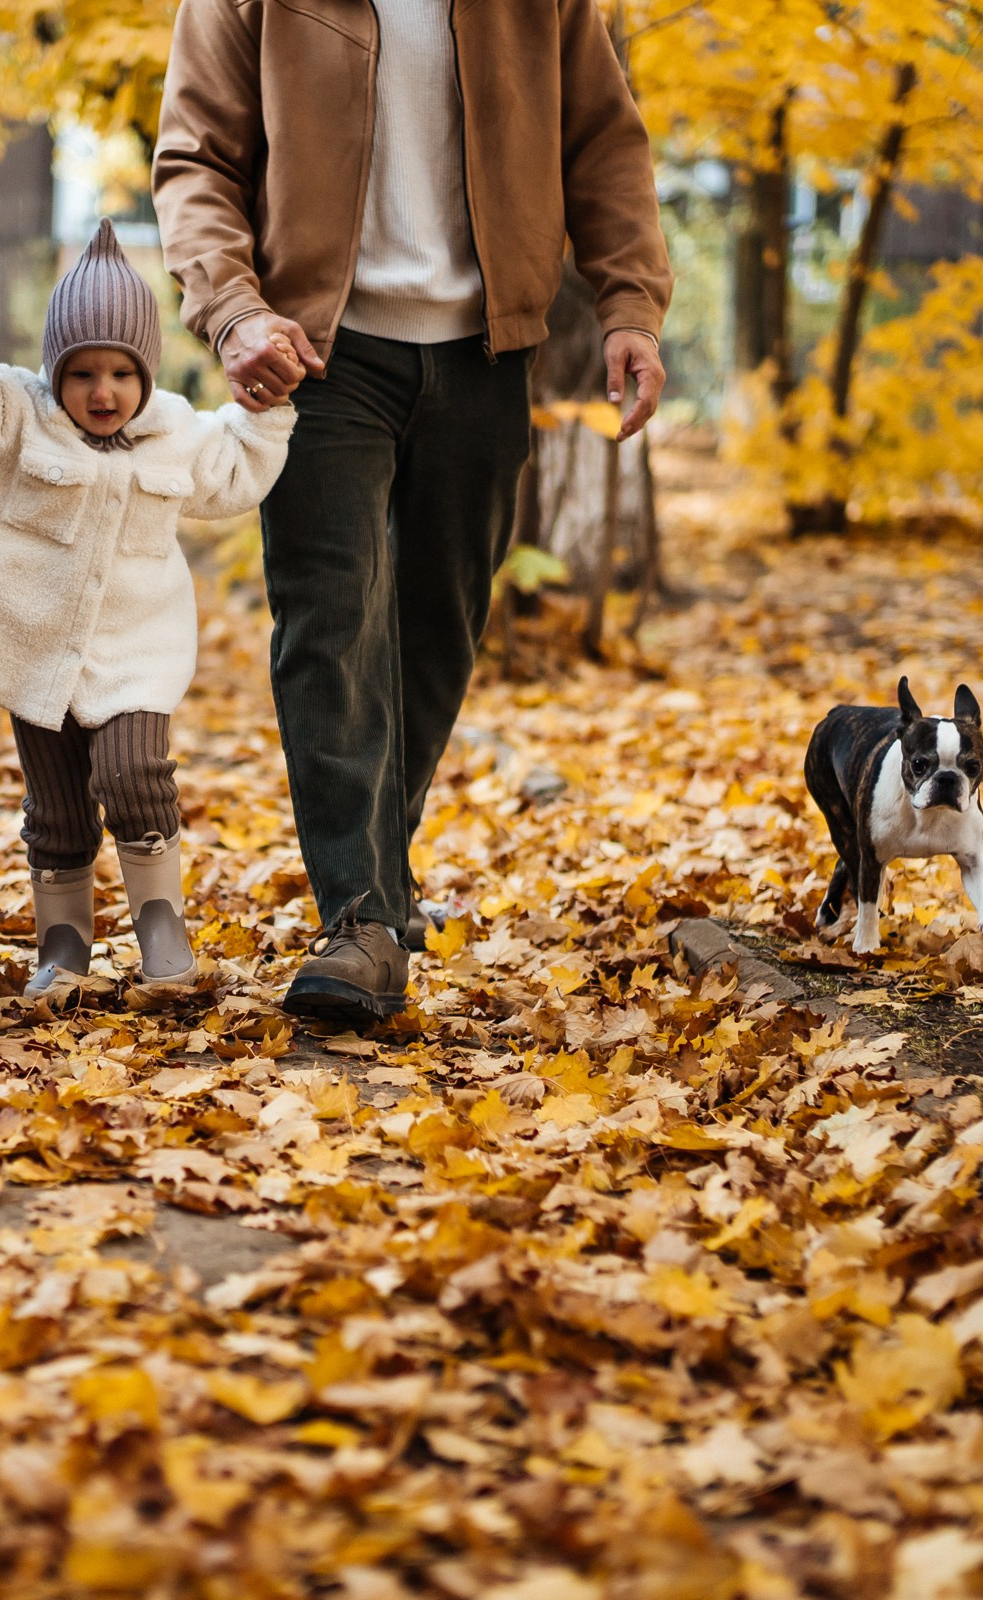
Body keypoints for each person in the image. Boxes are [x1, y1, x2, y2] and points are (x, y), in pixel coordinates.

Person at [153, 0, 674, 1024]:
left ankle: (379, 883)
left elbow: (603, 142)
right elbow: (196, 157)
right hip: (316, 349)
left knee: (440, 625)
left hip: (485, 350)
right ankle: (362, 922)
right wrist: (235, 307)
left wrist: (630, 305)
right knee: (331, 617)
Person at [0, 221, 296, 1003]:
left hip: (135, 653)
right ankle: (64, 941)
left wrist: (265, 410)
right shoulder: (15, 414)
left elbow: (235, 471)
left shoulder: (175, 433)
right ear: (55, 372)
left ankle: (160, 924)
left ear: (146, 372)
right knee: (56, 807)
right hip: (36, 650)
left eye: (120, 373)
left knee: (133, 771)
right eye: (81, 374)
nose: (102, 393)